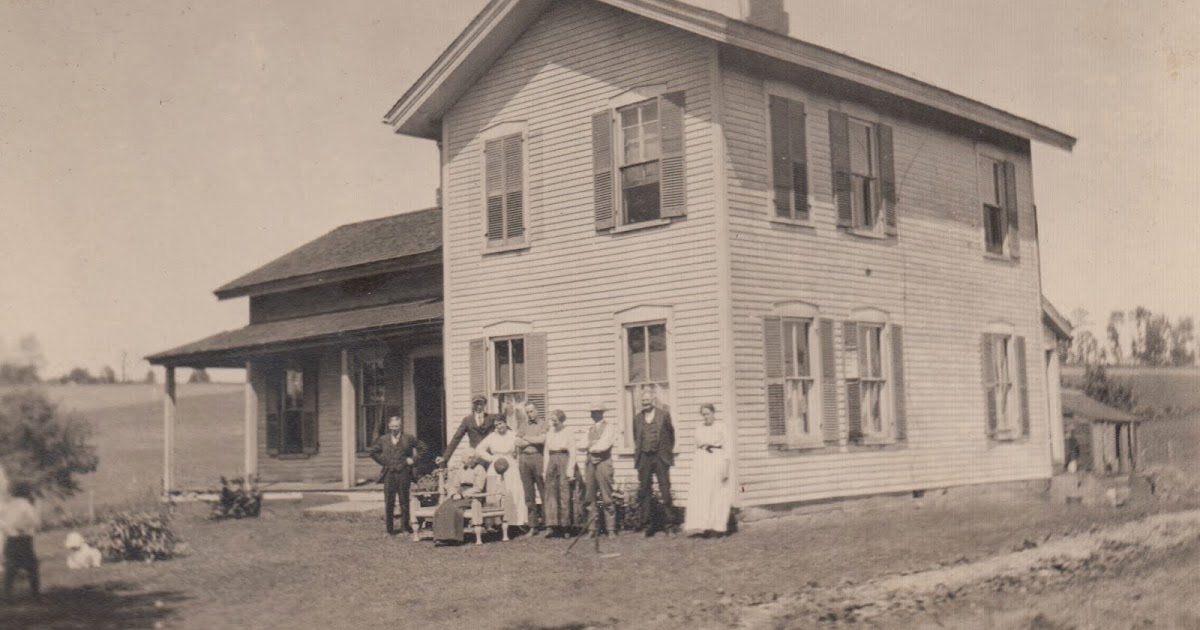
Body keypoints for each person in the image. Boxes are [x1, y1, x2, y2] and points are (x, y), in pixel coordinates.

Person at [368, 416, 425, 536]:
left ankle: (405, 528)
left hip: (404, 473)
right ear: (389, 426)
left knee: (404, 501)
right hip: (389, 474)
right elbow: (372, 452)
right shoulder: (383, 439)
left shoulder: (408, 438)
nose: (395, 429)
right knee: (389, 502)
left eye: (397, 426)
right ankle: (389, 530)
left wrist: (413, 459)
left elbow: (423, 448)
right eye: (392, 426)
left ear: (401, 426)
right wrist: (384, 462)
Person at [683, 403, 732, 536]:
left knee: (717, 493)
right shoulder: (699, 428)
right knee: (702, 494)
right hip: (702, 461)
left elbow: (728, 449)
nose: (705, 417)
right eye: (703, 414)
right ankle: (704, 526)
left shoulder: (721, 427)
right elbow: (697, 446)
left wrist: (726, 468)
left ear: (713, 413)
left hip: (717, 459)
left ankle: (718, 527)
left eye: (708, 414)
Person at [632, 389, 676, 535]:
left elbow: (671, 436)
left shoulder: (664, 415)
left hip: (660, 457)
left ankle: (670, 526)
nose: (645, 403)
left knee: (665, 490)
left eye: (648, 400)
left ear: (654, 401)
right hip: (644, 458)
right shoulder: (637, 418)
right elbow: (636, 438)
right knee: (645, 491)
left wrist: (665, 452)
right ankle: (647, 526)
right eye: (643, 401)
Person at [476, 416, 526, 527]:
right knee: (494, 492)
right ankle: (495, 523)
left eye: (500, 423)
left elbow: (520, 450)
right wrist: (491, 458)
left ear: (505, 423)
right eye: (496, 425)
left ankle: (514, 522)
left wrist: (516, 462)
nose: (499, 427)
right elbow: (479, 449)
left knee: (512, 491)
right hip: (495, 465)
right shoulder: (492, 436)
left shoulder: (513, 435)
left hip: (510, 465)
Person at [1, 475, 41, 602]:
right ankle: (13, 596)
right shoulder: (20, 505)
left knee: (22, 569)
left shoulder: (16, 504)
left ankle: (31, 595)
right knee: (21, 568)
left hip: (18, 540)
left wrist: (16, 527)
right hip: (18, 541)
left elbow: (34, 520)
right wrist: (13, 527)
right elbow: (35, 522)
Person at [581, 402, 618, 538]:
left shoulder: (609, 427)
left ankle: (611, 528)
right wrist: (592, 443)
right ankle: (592, 528)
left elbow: (604, 445)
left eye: (597, 412)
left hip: (603, 463)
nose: (594, 414)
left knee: (607, 496)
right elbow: (580, 445)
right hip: (590, 464)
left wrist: (590, 445)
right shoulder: (589, 429)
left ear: (602, 413)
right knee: (589, 497)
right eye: (592, 412)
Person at [432, 456, 488, 544]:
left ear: (473, 459)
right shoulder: (461, 469)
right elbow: (454, 485)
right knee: (442, 507)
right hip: (458, 493)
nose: (467, 461)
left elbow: (478, 488)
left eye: (469, 458)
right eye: (465, 459)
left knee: (454, 508)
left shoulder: (480, 469)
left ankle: (452, 538)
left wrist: (462, 495)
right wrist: (454, 494)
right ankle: (440, 537)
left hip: (472, 496)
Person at [541, 409, 577, 538]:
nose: (553, 423)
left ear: (561, 420)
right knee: (550, 493)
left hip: (564, 459)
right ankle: (552, 526)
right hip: (552, 460)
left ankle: (565, 527)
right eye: (552, 420)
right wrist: (545, 470)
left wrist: (570, 470)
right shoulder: (550, 432)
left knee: (564, 493)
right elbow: (546, 452)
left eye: (555, 420)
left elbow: (573, 451)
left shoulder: (568, 432)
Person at [514, 401, 547, 533]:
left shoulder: (543, 424)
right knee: (528, 493)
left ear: (537, 410)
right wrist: (532, 439)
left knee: (543, 491)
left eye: (531, 411)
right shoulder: (523, 425)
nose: (529, 414)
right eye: (527, 412)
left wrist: (526, 438)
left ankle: (547, 524)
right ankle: (533, 526)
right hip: (524, 459)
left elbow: (542, 440)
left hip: (538, 457)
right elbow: (517, 442)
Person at [437, 395, 496, 466]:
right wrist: (445, 457)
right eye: (476, 404)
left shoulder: (491, 418)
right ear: (473, 405)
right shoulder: (467, 420)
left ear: (485, 404)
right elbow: (456, 438)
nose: (479, 407)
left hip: (490, 456)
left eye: (481, 404)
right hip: (474, 457)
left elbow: (502, 431)